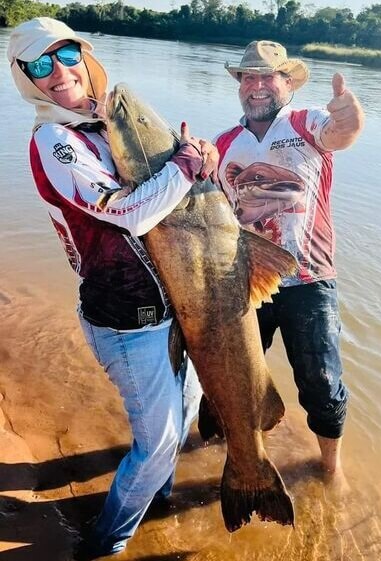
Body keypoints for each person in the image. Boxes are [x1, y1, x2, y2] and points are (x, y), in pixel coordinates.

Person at [7, 17, 219, 559]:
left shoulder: (106, 124)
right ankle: (107, 540)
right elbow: (127, 213)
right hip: (126, 323)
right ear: (24, 77)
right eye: (39, 64)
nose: (57, 72)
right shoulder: (55, 140)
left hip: (176, 309)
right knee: (159, 443)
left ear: (85, 56)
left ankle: (158, 499)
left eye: (65, 55)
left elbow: (176, 201)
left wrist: (199, 166)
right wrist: (185, 167)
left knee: (188, 407)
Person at [214, 40, 364, 477]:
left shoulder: (305, 123)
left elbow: (342, 133)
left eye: (267, 77)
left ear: (287, 83)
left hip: (309, 277)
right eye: (249, 77)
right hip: (243, 281)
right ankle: (239, 451)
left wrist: (349, 116)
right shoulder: (224, 144)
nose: (257, 86)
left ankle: (331, 469)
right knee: (234, 378)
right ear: (240, 85)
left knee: (320, 380)